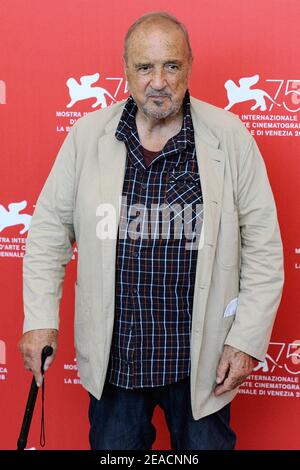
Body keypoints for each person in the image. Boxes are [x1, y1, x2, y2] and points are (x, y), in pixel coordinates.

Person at [18, 11, 284, 450]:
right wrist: (41, 320)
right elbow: (48, 233)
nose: (158, 81)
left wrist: (247, 341)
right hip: (115, 363)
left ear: (189, 66)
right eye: (145, 67)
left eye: (171, 65)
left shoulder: (230, 137)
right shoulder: (87, 138)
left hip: (202, 364)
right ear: (125, 70)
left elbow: (263, 248)